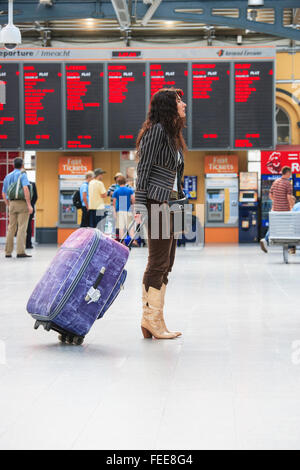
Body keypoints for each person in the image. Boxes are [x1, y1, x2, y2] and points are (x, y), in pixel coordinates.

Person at [135, 87, 186, 340]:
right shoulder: (156, 131)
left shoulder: (171, 134)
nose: (184, 104)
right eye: (179, 101)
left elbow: (174, 176)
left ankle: (155, 321)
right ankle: (151, 320)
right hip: (158, 203)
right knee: (157, 262)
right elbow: (143, 170)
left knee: (167, 263)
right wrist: (140, 206)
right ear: (168, 105)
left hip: (173, 204)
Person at [2, 157, 33, 258]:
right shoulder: (22, 175)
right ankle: (20, 252)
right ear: (22, 165)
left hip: (12, 204)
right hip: (22, 203)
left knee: (11, 228)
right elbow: (25, 189)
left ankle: (8, 252)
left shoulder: (8, 176)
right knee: (22, 228)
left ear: (13, 165)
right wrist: (29, 204)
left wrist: (8, 204)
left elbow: (3, 193)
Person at [260, 166, 294, 253]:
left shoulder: (276, 182)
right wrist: (292, 207)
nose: (291, 174)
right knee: (290, 227)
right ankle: (291, 247)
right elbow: (289, 196)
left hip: (275, 210)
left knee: (274, 226)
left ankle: (265, 240)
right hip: (285, 211)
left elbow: (270, 195)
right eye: (290, 173)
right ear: (287, 173)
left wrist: (277, 201)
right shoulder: (288, 183)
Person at [112, 175, 138, 246]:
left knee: (121, 227)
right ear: (125, 181)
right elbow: (133, 200)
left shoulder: (116, 191)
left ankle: (122, 242)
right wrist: (134, 211)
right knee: (130, 226)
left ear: (117, 182)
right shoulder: (129, 190)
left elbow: (113, 203)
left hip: (119, 211)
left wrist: (114, 213)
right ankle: (133, 241)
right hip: (128, 210)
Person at [26, 181, 38, 249]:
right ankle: (28, 244)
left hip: (21, 206)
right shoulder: (32, 184)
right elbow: (36, 197)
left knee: (21, 226)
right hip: (31, 207)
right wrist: (31, 204)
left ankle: (21, 244)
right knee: (28, 226)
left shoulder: (18, 184)